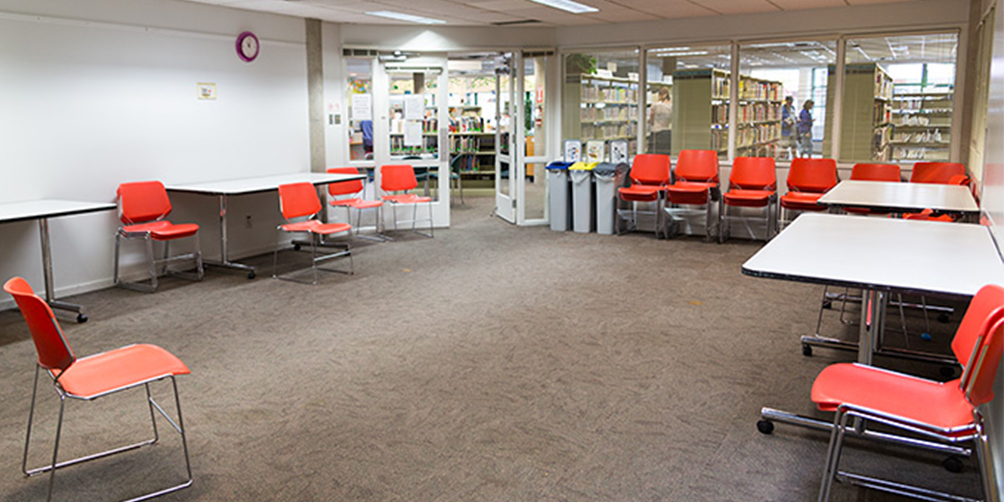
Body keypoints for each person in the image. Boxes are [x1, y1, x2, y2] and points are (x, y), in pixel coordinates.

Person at [648, 86, 672, 154]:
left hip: (656, 132)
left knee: (654, 153)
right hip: (667, 131)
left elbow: (651, 121)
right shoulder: (672, 106)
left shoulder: (655, 105)